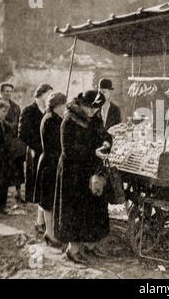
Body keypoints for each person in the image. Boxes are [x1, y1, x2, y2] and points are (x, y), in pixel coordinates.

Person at [54, 90, 112, 264]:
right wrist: (92, 152)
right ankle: (73, 250)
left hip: (90, 170)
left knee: (93, 207)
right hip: (72, 172)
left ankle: (90, 245)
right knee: (75, 211)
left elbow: (104, 134)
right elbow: (68, 151)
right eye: (91, 109)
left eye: (96, 109)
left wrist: (106, 143)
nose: (93, 112)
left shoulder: (94, 118)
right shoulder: (69, 121)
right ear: (82, 104)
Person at [19, 83, 53, 232]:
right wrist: (39, 147)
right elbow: (23, 134)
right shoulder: (28, 111)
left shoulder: (48, 111)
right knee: (39, 188)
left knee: (45, 187)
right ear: (40, 94)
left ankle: (42, 221)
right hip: (35, 153)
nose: (50, 97)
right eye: (48, 94)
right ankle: (39, 221)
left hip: (47, 154)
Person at [34, 92, 67, 248]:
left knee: (51, 199)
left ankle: (51, 232)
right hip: (50, 164)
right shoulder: (51, 121)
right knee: (48, 201)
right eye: (63, 106)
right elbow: (56, 144)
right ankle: (49, 233)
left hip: (50, 162)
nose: (65, 109)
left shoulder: (52, 118)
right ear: (57, 105)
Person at [0, 83, 25, 203]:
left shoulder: (16, 106)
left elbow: (19, 122)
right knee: (1, 168)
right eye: (6, 91)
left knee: (17, 166)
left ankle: (18, 194)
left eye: (10, 91)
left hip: (13, 140)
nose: (8, 93)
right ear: (0, 92)